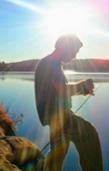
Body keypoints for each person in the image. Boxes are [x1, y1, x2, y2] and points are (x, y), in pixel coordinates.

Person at [34, 34, 103, 171]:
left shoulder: (52, 63)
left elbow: (58, 89)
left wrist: (82, 89)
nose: (75, 56)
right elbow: (61, 90)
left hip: (57, 116)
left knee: (59, 152)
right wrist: (83, 86)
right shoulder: (49, 64)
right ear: (66, 47)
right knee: (89, 134)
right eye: (75, 51)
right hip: (58, 116)